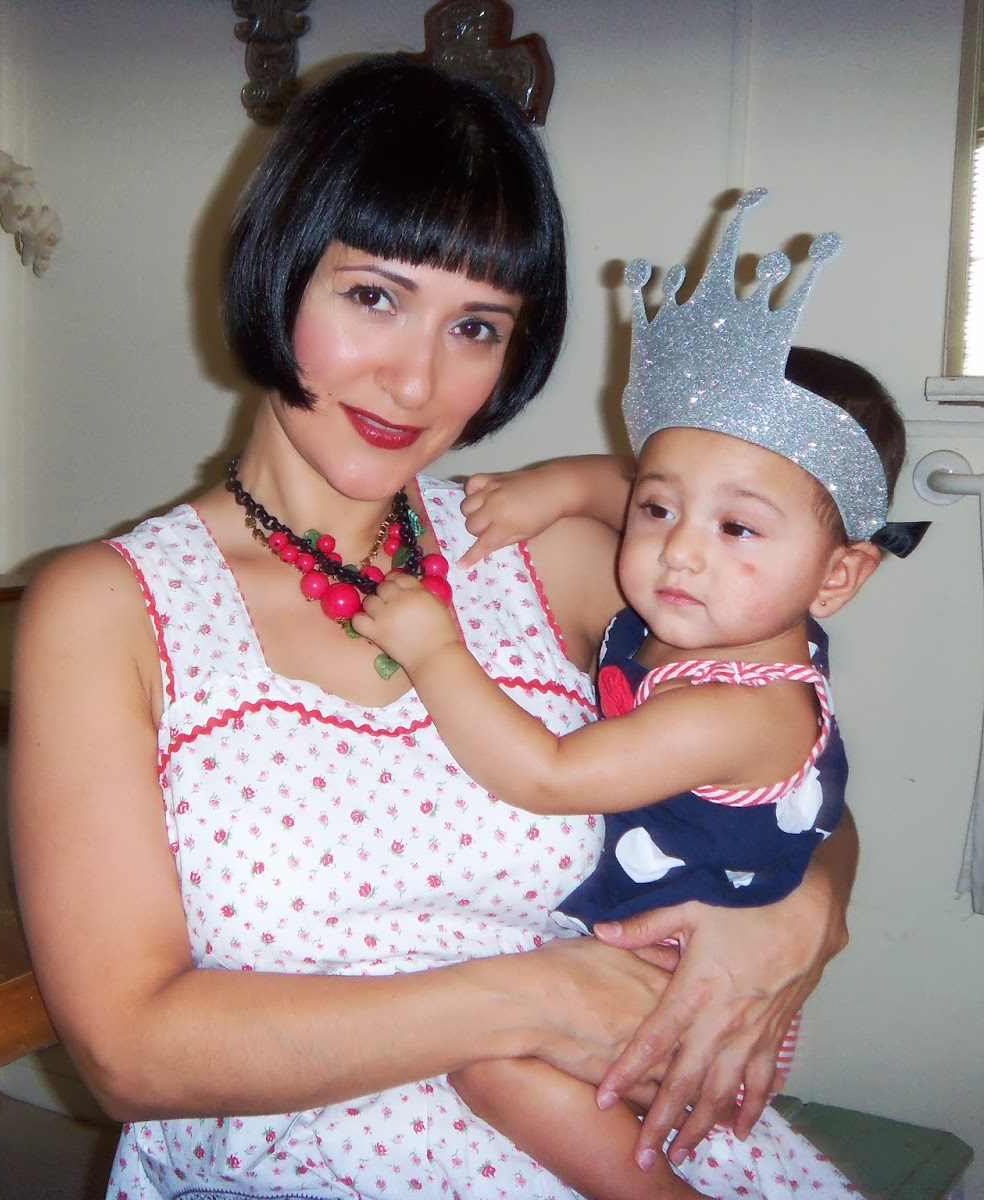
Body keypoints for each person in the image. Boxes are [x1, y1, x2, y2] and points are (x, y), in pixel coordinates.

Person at [9, 57, 861, 1198]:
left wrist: (806, 913)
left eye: (476, 325)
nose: (414, 381)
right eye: (373, 296)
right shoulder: (109, 609)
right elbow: (129, 1054)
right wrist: (527, 1001)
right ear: (279, 272)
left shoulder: (556, 563)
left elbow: (789, 767)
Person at [353, 192, 924, 1198]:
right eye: (659, 509)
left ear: (837, 576)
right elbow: (660, 489)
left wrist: (437, 650)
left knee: (494, 1071)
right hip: (643, 952)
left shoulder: (736, 709)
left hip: (681, 1001)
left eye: (736, 529)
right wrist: (565, 486)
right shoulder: (727, 611)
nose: (675, 552)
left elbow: (546, 774)